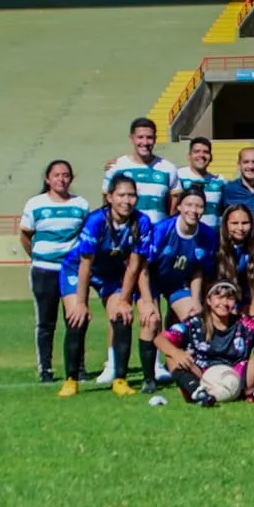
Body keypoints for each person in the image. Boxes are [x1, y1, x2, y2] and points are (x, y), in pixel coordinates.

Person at [57, 175, 152, 397]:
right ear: (109, 197)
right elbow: (85, 265)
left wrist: (124, 301)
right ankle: (71, 380)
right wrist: (80, 303)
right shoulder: (96, 221)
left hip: (113, 274)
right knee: (76, 319)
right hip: (78, 269)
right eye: (120, 195)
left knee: (122, 317)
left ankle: (120, 379)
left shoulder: (142, 222)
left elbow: (134, 266)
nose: (126, 201)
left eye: (131, 195)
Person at [155, 281, 254, 405]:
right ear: (209, 300)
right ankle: (197, 393)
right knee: (171, 355)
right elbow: (159, 339)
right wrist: (176, 352)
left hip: (238, 377)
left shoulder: (244, 324)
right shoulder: (194, 323)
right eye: (219, 297)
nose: (224, 302)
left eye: (230, 298)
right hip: (202, 376)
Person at [140, 190, 219, 392]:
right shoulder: (162, 230)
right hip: (151, 282)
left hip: (178, 282)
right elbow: (143, 268)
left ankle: (181, 368)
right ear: (179, 207)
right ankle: (149, 378)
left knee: (193, 319)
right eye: (189, 205)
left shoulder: (207, 234)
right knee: (151, 320)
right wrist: (148, 301)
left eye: (199, 206)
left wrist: (195, 299)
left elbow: (198, 270)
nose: (194, 210)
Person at [20, 160, 89, 384]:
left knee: (77, 318)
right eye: (57, 175)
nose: (61, 179)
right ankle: (46, 369)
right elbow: (25, 236)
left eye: (66, 175)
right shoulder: (35, 204)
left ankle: (77, 367)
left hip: (71, 270)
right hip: (44, 270)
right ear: (48, 179)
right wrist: (39, 256)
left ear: (71, 178)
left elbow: (85, 237)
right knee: (46, 322)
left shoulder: (81, 205)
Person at [214, 204, 254, 318]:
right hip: (220, 299)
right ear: (225, 225)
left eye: (245, 223)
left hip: (246, 297)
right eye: (234, 223)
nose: (240, 228)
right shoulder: (216, 242)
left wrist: (252, 314)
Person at [174, 137, 225, 230]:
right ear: (189, 156)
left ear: (211, 157)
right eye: (197, 151)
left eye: (206, 152)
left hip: (212, 238)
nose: (201, 155)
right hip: (186, 238)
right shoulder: (178, 176)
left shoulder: (220, 181)